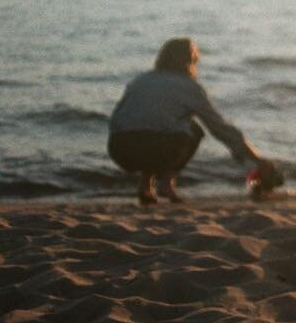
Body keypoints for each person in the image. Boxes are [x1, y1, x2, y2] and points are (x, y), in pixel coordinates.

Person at [108, 37, 259, 205]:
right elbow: (217, 127)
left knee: (156, 127)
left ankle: (145, 188)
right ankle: (166, 183)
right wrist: (251, 155)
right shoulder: (189, 86)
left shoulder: (141, 79)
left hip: (119, 148)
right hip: (155, 148)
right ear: (190, 61)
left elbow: (117, 117)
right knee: (193, 130)